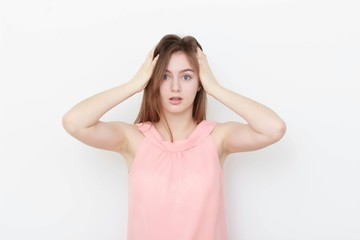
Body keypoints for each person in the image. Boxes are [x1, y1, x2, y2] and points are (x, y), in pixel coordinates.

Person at [62, 34, 286, 240]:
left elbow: (274, 128)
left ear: (199, 83)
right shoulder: (134, 139)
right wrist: (134, 84)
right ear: (154, 81)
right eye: (165, 76)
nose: (175, 87)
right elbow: (74, 122)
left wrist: (215, 88)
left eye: (187, 77)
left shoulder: (217, 137)